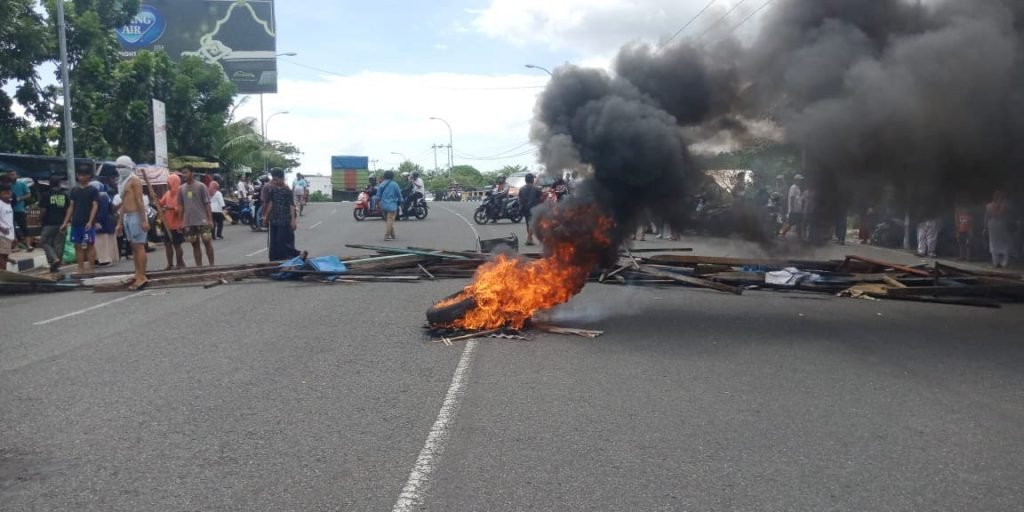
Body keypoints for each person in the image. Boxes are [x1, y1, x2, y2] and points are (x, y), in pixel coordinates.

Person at [115, 157, 150, 289]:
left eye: (122, 166)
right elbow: (123, 204)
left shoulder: (134, 180)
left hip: (136, 215)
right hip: (127, 217)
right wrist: (119, 222)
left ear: (129, 167)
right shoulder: (122, 182)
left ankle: (142, 276)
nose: (120, 169)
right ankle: (137, 274)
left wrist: (143, 220)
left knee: (139, 246)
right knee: (134, 247)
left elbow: (140, 201)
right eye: (118, 166)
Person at [61, 165, 100, 274]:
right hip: (76, 222)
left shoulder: (93, 190)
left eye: (83, 175)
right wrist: (65, 222)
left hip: (87, 223)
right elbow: (71, 206)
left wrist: (90, 221)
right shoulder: (74, 190)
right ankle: (80, 268)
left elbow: (95, 205)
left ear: (88, 176)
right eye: (79, 175)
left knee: (90, 245)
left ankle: (91, 268)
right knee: (77, 245)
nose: (81, 177)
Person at [179, 166, 215, 266]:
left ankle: (212, 265)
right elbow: (181, 206)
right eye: (182, 173)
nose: (184, 175)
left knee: (207, 241)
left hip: (202, 219)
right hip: (189, 221)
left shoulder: (201, 186)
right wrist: (180, 221)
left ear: (192, 173)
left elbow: (207, 204)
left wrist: (210, 219)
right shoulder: (181, 188)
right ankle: (199, 267)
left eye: (186, 172)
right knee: (194, 244)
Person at [263, 168, 301, 260]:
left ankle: (288, 259)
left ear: (282, 178)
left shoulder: (287, 190)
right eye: (273, 179)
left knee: (283, 242)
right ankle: (274, 262)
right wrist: (266, 217)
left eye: (276, 179)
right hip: (274, 219)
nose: (274, 181)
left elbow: (291, 205)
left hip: (285, 220)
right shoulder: (273, 189)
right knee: (274, 242)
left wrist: (293, 220)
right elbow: (271, 203)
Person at [39, 174, 69, 272]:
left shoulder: (46, 195)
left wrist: (39, 219)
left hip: (49, 223)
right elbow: (69, 208)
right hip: (62, 222)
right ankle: (55, 265)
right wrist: (66, 221)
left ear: (50, 183)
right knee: (59, 244)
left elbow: (43, 210)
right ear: (59, 183)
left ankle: (54, 259)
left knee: (44, 241)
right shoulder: (65, 195)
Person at [160, 173, 186, 270]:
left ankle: (179, 263)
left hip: (176, 224)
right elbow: (161, 202)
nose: (168, 184)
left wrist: (171, 208)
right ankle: (170, 264)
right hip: (167, 224)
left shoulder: (180, 194)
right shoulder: (168, 193)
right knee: (167, 245)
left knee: (177, 245)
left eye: (169, 182)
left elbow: (181, 209)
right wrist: (155, 198)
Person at [91, 181, 118, 266]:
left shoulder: (101, 196)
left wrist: (97, 220)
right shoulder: (105, 195)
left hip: (103, 222)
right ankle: (102, 259)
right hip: (108, 221)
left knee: (102, 242)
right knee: (105, 241)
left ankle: (103, 259)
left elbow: (102, 211)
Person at [985, 191, 1012, 268]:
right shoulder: (1005, 205)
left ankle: (997, 262)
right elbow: (1006, 215)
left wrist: (985, 227)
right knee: (1001, 243)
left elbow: (987, 217)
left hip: (995, 224)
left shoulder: (989, 206)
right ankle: (1002, 262)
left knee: (996, 243)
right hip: (999, 224)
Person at [8, 170, 33, 252]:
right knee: (12, 228)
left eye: (13, 175)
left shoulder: (22, 184)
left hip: (20, 209)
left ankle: (28, 246)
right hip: (9, 210)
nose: (12, 176)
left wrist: (20, 198)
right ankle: (15, 246)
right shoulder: (8, 185)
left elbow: (28, 194)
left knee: (24, 227)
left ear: (17, 176)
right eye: (10, 175)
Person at [517, 173, 543, 246]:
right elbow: (541, 198)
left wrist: (521, 207)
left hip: (525, 209)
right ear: (532, 180)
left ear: (525, 180)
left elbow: (520, 199)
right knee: (534, 223)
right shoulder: (537, 189)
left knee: (528, 223)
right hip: (534, 209)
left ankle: (530, 239)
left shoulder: (521, 189)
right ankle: (530, 239)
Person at [377, 170, 402, 241]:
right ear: (392, 176)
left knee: (388, 221)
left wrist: (378, 204)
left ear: (384, 176)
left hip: (383, 205)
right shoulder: (395, 184)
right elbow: (399, 195)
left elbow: (378, 196)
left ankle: (393, 235)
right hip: (392, 205)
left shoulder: (381, 184)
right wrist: (401, 201)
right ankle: (386, 236)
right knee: (390, 220)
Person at [779, 174, 805, 238]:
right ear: (796, 180)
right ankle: (781, 233)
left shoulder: (797, 187)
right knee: (789, 223)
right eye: (800, 180)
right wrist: (792, 208)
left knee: (799, 223)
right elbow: (791, 198)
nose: (801, 181)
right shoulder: (793, 187)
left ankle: (800, 236)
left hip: (798, 210)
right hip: (794, 210)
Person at [0, 185, 13, 270]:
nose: (8, 195)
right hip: (2, 234)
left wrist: (13, 236)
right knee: (2, 256)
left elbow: (9, 220)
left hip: (9, 235)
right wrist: (2, 228)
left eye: (9, 193)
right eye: (5, 193)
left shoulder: (8, 204)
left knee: (5, 255)